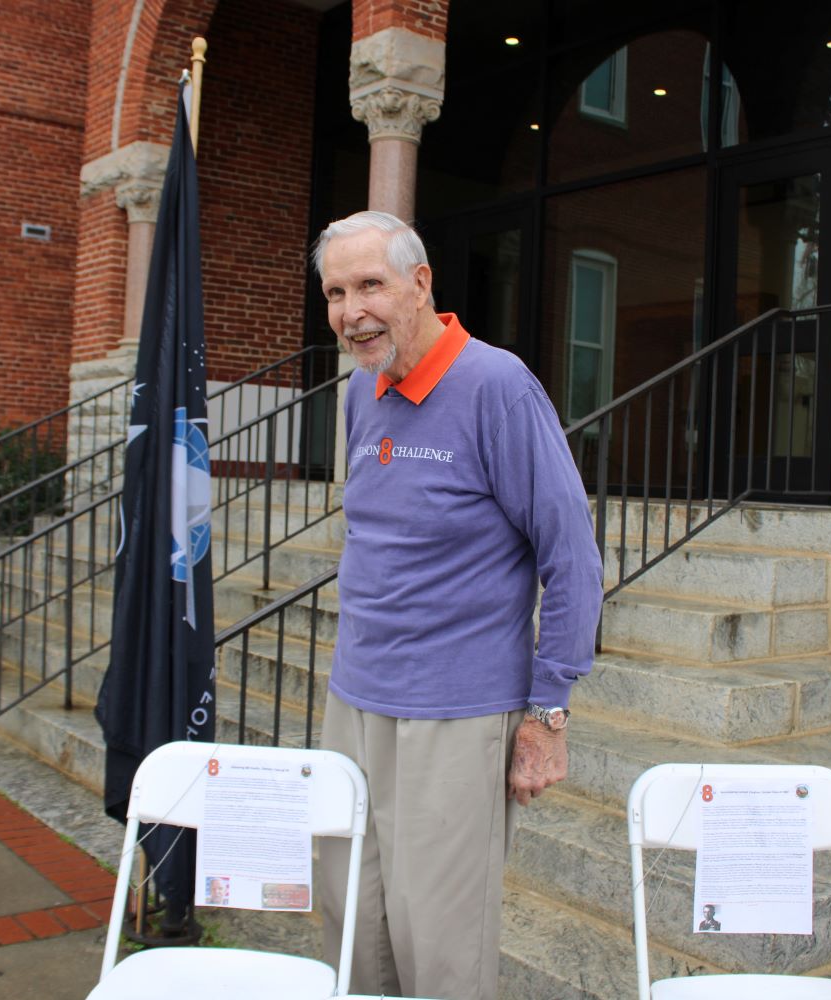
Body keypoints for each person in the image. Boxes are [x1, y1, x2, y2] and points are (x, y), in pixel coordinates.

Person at [313, 211, 604, 1000]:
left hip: (457, 710)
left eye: (369, 284)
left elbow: (571, 556)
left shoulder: (497, 386)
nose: (351, 310)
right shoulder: (361, 392)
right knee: (351, 929)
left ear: (420, 282)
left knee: (438, 945)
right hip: (355, 701)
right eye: (336, 292)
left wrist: (548, 716)